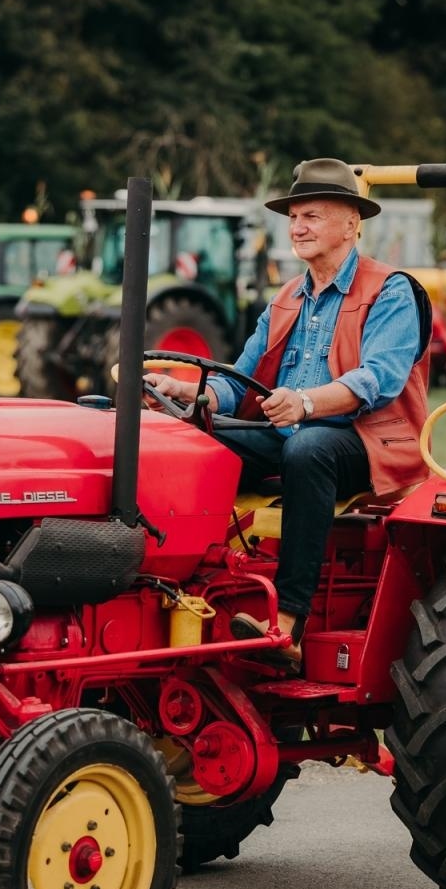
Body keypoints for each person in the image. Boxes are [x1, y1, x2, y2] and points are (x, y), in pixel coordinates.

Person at [144, 158, 430, 668]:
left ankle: (289, 623)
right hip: (289, 433)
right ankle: (181, 584)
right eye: (294, 217)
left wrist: (306, 402)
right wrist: (190, 394)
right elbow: (239, 381)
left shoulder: (391, 290)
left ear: (351, 223)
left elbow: (379, 379)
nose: (297, 227)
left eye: (312, 216)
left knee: (308, 446)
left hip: (364, 441)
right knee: (189, 440)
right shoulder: (286, 298)